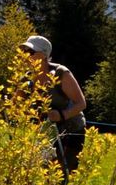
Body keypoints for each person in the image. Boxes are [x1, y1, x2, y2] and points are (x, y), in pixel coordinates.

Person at [20, 35, 87, 173]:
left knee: (64, 173)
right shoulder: (25, 78)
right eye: (24, 51)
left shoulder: (60, 73)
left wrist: (62, 115)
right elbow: (15, 107)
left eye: (30, 52)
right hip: (47, 132)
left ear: (43, 55)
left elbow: (81, 103)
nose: (25, 55)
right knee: (44, 172)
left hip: (71, 129)